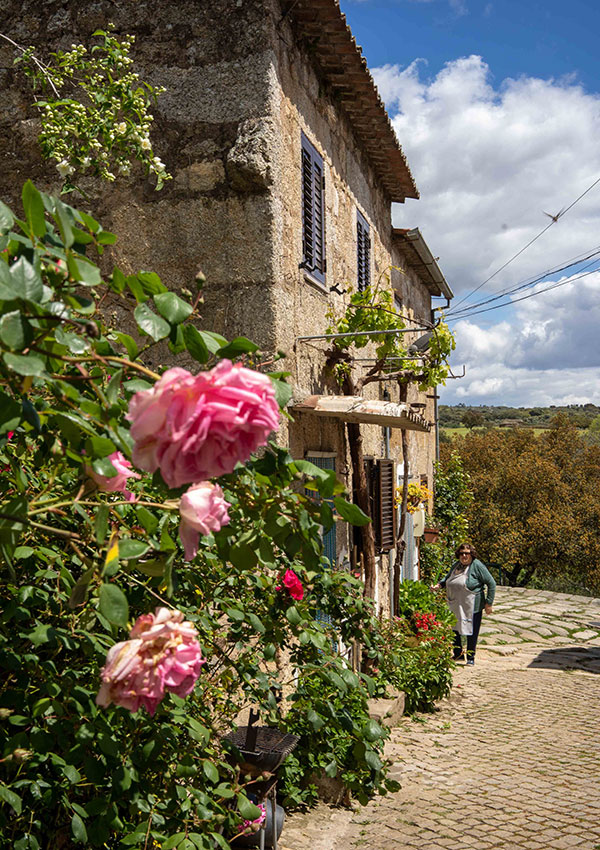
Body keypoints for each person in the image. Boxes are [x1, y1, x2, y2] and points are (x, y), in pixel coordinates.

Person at [432, 543, 496, 665]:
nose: (464, 556)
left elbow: (491, 583)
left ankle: (471, 657)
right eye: (462, 553)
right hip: (455, 603)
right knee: (454, 629)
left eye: (467, 553)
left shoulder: (477, 566)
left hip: (472, 604)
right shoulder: (457, 566)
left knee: (471, 630)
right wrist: (439, 585)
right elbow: (447, 579)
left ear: (472, 554)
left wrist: (489, 603)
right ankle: (458, 654)